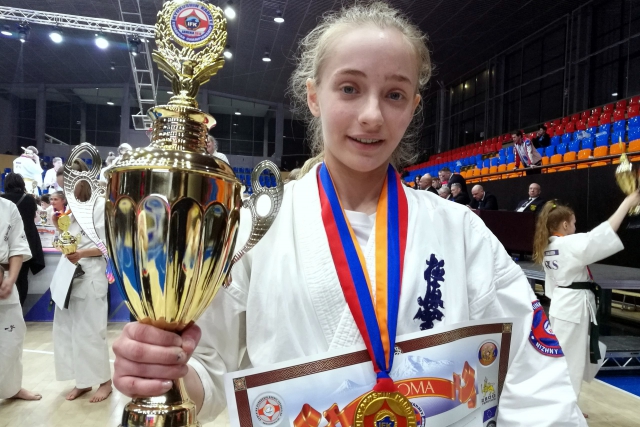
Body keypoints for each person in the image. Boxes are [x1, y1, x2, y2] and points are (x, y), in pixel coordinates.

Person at [111, 3, 585, 426]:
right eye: (349, 88)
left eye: (395, 94)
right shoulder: (256, 225)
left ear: (413, 107)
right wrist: (164, 373)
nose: (372, 115)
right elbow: (209, 367)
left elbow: (531, 377)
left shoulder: (461, 230)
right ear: (314, 96)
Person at [533, 192, 640, 418]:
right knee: (571, 360)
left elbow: (551, 286)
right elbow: (599, 236)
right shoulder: (567, 244)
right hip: (573, 307)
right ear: (564, 224)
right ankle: (566, 410)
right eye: (573, 223)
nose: (575, 227)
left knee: (567, 357)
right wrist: (626, 203)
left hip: (562, 304)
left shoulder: (548, 246)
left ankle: (563, 404)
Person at [50, 161, 112, 403]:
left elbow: (108, 246)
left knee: (92, 331)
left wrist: (82, 253)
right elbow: (68, 241)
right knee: (69, 331)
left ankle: (105, 382)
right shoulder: (72, 208)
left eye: (68, 186)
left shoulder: (100, 206)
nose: (66, 192)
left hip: (91, 274)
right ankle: (83, 381)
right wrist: (58, 231)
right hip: (69, 275)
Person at [0, 197, 42, 401]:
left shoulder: (7, 207)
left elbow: (17, 247)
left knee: (13, 338)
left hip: (5, 280)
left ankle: (12, 388)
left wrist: (11, 279)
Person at [1, 173, 45, 306]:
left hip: (9, 242)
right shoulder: (29, 199)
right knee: (22, 277)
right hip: (28, 239)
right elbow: (33, 217)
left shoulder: (5, 201)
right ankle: (20, 305)